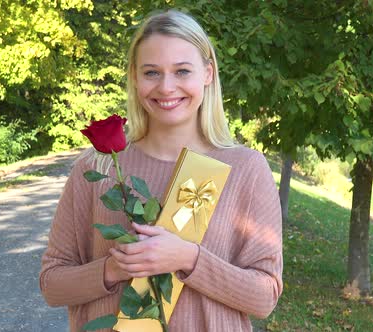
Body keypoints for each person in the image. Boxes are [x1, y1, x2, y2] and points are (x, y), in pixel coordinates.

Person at [39, 10, 283, 332]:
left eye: (182, 71)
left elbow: (264, 298)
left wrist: (188, 259)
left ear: (207, 73)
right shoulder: (98, 167)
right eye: (152, 72)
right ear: (135, 78)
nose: (167, 87)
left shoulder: (245, 169)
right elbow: (52, 285)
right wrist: (114, 268)